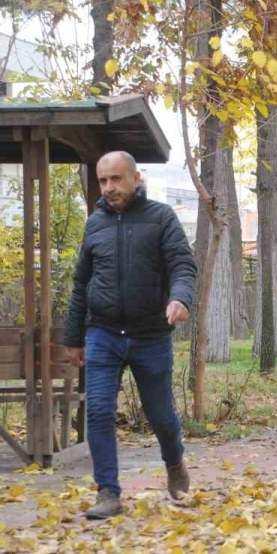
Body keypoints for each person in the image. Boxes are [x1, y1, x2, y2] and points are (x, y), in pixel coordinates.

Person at [63, 151, 197, 520]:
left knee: (161, 416)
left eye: (116, 179)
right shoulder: (95, 224)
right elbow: (81, 284)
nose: (108, 188)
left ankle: (174, 462)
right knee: (100, 410)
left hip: (150, 334)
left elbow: (183, 266)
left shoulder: (161, 218)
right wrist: (73, 338)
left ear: (136, 178)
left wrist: (179, 297)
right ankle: (108, 492)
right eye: (102, 180)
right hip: (103, 332)